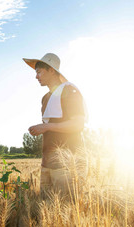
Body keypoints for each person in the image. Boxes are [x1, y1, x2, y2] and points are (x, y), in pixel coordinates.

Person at [23, 53, 87, 195]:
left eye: (39, 72)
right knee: (47, 209)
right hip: (47, 164)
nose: (36, 76)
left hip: (67, 165)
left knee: (67, 208)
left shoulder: (70, 91)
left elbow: (78, 124)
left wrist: (46, 127)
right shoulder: (45, 98)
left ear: (51, 70)